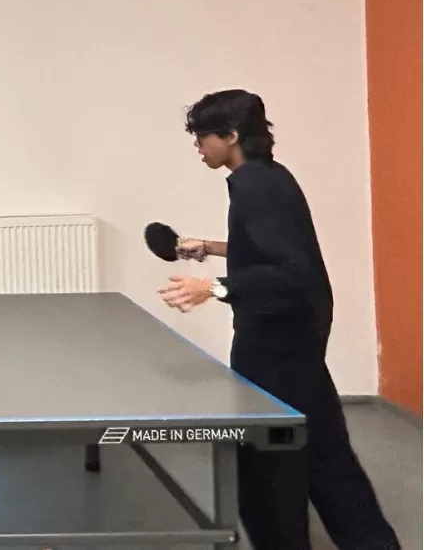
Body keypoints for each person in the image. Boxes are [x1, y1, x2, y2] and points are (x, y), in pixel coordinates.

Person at [159, 89, 399, 550]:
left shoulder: (255, 187)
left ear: (230, 135)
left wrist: (214, 287)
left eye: (202, 136)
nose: (198, 146)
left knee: (274, 458)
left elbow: (289, 273)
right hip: (291, 339)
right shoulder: (268, 177)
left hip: (278, 344)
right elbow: (268, 250)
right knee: (323, 454)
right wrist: (207, 248)